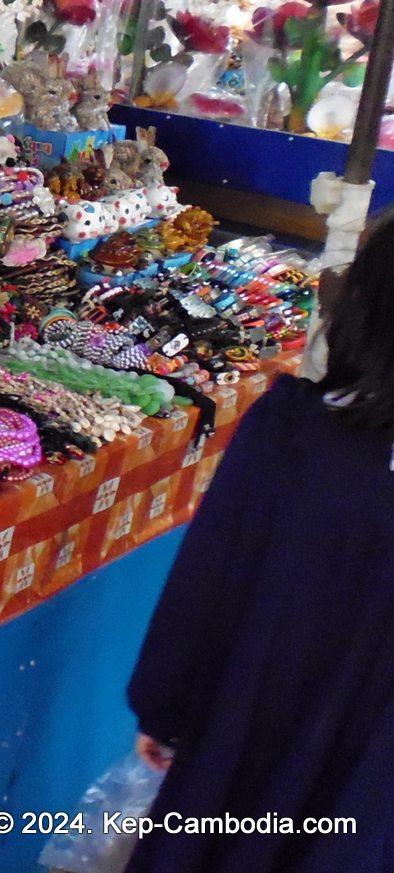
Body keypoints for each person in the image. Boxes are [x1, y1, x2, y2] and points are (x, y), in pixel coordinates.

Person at [124, 211, 394, 873]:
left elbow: (209, 580)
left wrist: (167, 709)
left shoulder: (294, 438)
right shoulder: (295, 435)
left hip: (250, 742)